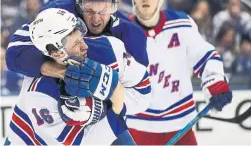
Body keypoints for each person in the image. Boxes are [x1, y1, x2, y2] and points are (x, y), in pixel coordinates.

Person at [5, 8, 151, 145]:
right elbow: (86, 142)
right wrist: (115, 103)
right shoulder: (38, 94)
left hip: (100, 127)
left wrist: (116, 94)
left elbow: (143, 93)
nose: (85, 46)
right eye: (76, 43)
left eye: (81, 37)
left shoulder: (108, 50)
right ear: (56, 52)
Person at [125, 0, 232, 145]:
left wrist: (215, 81)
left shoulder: (181, 24)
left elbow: (205, 55)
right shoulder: (121, 31)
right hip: (137, 127)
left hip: (180, 125)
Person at [6, 0, 148, 96]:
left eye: (103, 10)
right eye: (89, 10)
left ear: (113, 6)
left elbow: (139, 86)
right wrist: (57, 70)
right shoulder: (56, 13)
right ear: (78, 4)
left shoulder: (131, 33)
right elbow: (14, 53)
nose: (96, 19)